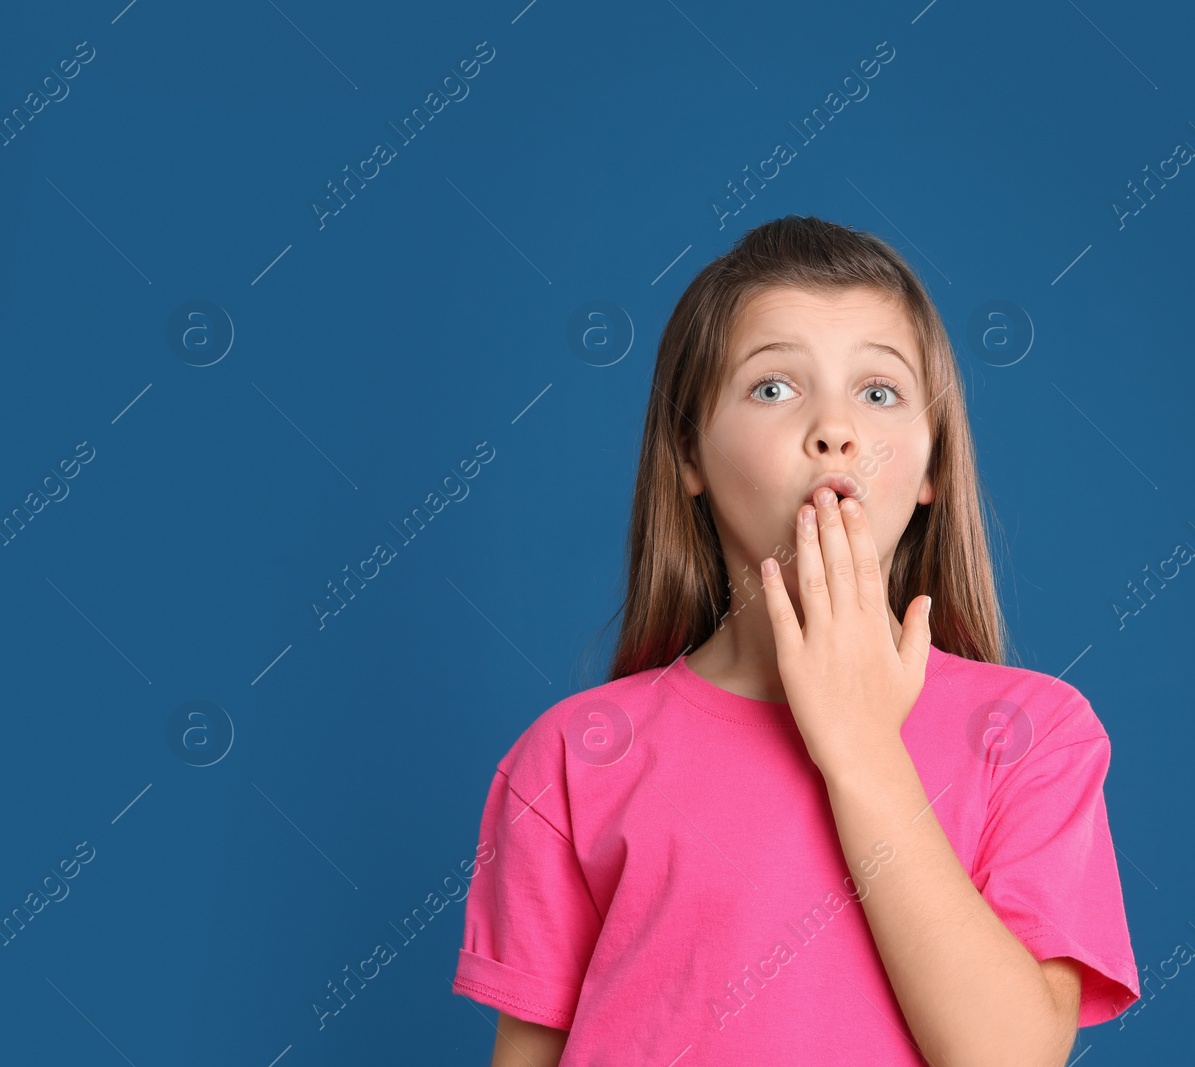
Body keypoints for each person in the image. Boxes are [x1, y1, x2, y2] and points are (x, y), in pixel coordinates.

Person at [451, 215, 1140, 1065]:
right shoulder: (569, 756)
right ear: (689, 453)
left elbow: (1008, 1055)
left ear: (932, 468)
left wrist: (859, 744)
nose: (834, 429)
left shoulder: (1032, 733)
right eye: (774, 387)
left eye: (879, 392)